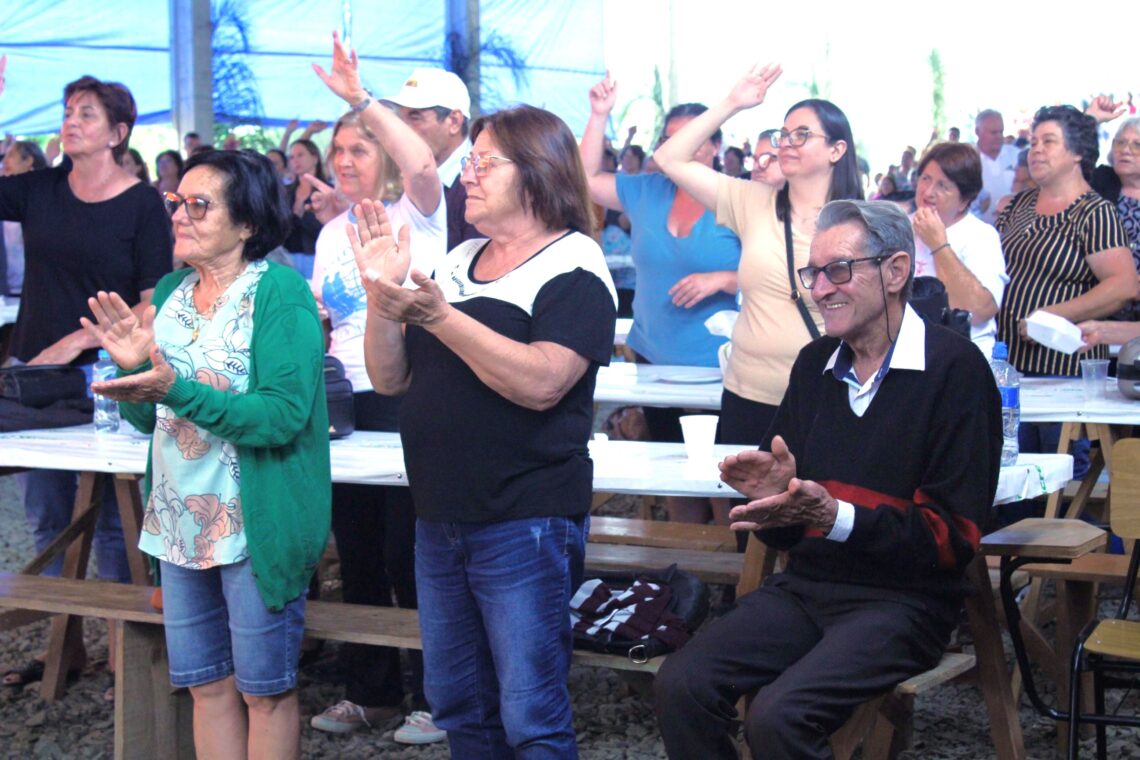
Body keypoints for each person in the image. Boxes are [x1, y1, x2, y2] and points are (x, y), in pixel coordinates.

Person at [654, 200, 1002, 760]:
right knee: (681, 683)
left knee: (779, 716)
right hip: (808, 588)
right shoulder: (815, 363)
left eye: (838, 270)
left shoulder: (954, 370)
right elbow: (792, 526)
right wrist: (775, 503)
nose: (819, 289)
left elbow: (951, 538)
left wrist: (835, 516)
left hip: (904, 603)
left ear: (895, 271)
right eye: (812, 273)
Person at [352, 103, 616, 758]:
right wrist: (381, 293)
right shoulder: (458, 258)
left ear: (537, 171)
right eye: (468, 161)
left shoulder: (575, 265)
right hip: (440, 516)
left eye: (484, 162)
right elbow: (389, 377)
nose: (467, 174)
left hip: (524, 519)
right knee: (459, 704)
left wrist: (441, 318)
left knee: (531, 715)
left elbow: (543, 381)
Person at [82, 149, 330, 760]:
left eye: (199, 205)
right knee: (206, 686)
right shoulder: (171, 291)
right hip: (178, 521)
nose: (179, 215)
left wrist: (173, 388)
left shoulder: (279, 293)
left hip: (254, 523)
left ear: (247, 223)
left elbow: (281, 417)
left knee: (264, 693)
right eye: (177, 201)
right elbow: (151, 419)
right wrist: (133, 371)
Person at [0, 74, 172, 689]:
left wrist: (84, 339)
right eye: (69, 110)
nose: (71, 121)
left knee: (112, 519)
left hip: (106, 378)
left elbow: (154, 300)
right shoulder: (41, 188)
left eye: (88, 113)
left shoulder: (143, 204)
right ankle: (63, 645)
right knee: (48, 515)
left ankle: (129, 655)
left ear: (118, 132)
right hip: (35, 377)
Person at [307, 33, 447, 742]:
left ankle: (436, 695)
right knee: (357, 549)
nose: (344, 160)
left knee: (408, 553)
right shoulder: (332, 232)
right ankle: (371, 691)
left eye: (358, 148)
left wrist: (362, 99)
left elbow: (421, 162)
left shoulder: (421, 212)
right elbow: (327, 319)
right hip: (346, 403)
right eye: (337, 150)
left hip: (407, 394)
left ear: (386, 154)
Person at [652, 64, 863, 449]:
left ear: (837, 149)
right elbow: (669, 158)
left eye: (802, 135)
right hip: (748, 394)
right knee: (746, 490)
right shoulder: (752, 202)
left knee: (819, 490)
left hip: (827, 394)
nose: (787, 143)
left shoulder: (861, 223)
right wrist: (732, 103)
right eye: (784, 135)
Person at [582, 75, 741, 522]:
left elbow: (777, 273)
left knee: (722, 479)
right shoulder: (648, 190)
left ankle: (732, 561)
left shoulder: (737, 198)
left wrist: (725, 279)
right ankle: (686, 563)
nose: (678, 147)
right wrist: (598, 115)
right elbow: (586, 179)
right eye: (669, 139)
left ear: (715, 146)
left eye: (691, 137)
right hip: (654, 358)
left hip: (719, 363)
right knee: (671, 470)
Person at [996, 105, 1136, 379]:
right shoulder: (1017, 205)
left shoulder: (1094, 212)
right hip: (1007, 365)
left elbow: (1124, 286)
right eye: (1033, 142)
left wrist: (1053, 315)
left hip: (1064, 369)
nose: (1036, 150)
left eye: (1048, 141)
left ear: (1077, 152)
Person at [910, 141, 1008, 356]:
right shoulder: (901, 227)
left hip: (962, 357)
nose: (928, 192)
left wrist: (938, 245)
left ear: (964, 200)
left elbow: (979, 310)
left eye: (943, 186)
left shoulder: (981, 235)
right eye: (925, 179)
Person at [382, 66, 481, 251]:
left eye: (415, 117)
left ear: (454, 121)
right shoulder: (399, 176)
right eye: (401, 118)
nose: (403, 128)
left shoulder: (478, 184)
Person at [1086, 98, 1140, 321]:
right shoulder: (1100, 181)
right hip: (1098, 305)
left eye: (1137, 145)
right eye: (1120, 142)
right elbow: (1071, 159)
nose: (1125, 150)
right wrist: (1091, 120)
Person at [0, 140, 46, 296]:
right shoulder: (4, 200)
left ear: (28, 161)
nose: (5, 160)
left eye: (11, 155)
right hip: (5, 293)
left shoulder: (42, 199)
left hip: (33, 291)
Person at [282, 138, 326, 277]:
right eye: (292, 157)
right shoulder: (284, 191)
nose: (295, 160)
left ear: (315, 158)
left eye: (300, 155)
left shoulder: (327, 192)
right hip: (287, 257)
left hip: (318, 257)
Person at [972, 109, 1020, 224]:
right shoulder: (967, 159)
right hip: (978, 229)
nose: (999, 137)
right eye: (993, 132)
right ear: (977, 132)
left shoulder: (1016, 155)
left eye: (1001, 132)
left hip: (1014, 228)